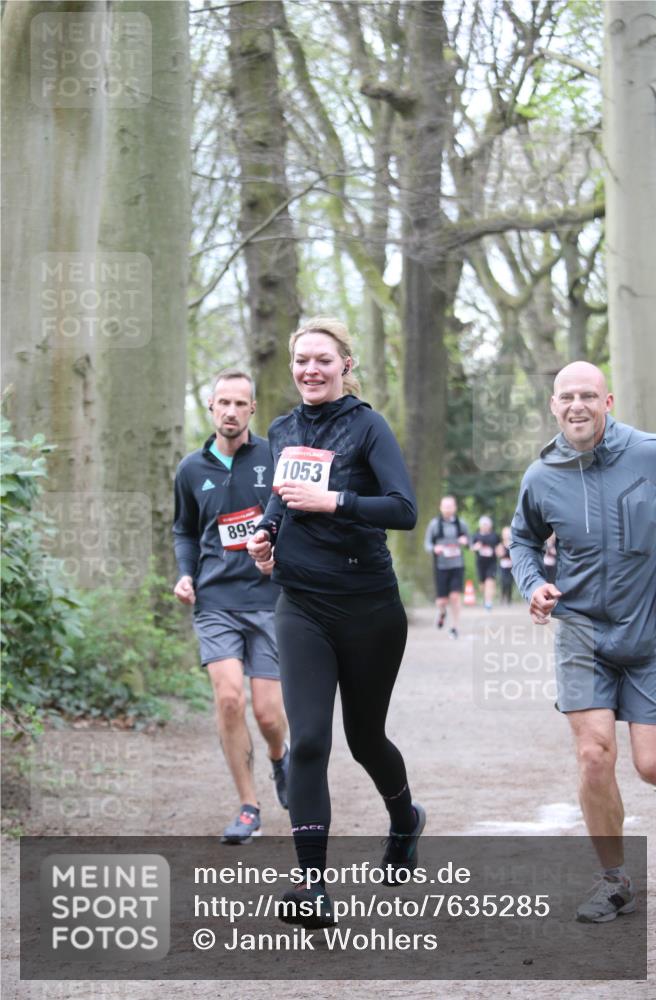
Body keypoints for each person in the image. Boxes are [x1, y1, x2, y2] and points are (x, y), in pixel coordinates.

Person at [246, 317, 424, 928]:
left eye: (322, 360)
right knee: (310, 740)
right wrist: (265, 537)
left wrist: (337, 502)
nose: (310, 370)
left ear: (346, 365)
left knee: (365, 737)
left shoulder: (369, 427)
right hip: (302, 605)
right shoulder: (282, 428)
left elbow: (404, 509)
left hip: (369, 608)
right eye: (301, 361)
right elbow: (278, 497)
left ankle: (405, 820)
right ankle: (311, 886)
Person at [510, 360, 656, 923]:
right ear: (553, 406)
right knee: (593, 755)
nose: (577, 405)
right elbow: (523, 541)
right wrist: (533, 585)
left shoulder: (655, 453)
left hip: (650, 629)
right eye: (566, 397)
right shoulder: (541, 475)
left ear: (609, 401)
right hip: (580, 630)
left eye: (588, 395)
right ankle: (615, 881)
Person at [173, 369, 290, 844]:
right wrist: (185, 573)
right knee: (227, 700)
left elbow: (292, 517)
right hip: (215, 598)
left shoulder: (272, 457)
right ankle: (249, 806)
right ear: (210, 407)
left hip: (269, 599)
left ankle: (280, 760)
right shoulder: (190, 469)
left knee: (266, 714)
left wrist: (281, 556)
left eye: (240, 404)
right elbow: (184, 530)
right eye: (223, 402)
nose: (231, 411)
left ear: (252, 410)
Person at [424, 496, 469, 637]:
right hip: (441, 566)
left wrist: (465, 541)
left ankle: (454, 627)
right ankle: (443, 613)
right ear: (440, 508)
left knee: (455, 597)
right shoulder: (434, 524)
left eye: (450, 506)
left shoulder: (461, 524)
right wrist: (434, 548)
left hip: (457, 565)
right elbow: (427, 544)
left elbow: (470, 542)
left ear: (455, 508)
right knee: (441, 601)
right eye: (445, 506)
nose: (448, 509)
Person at [471, 515, 500, 610]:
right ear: (480, 526)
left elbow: (499, 548)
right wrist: (476, 547)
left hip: (491, 563)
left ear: (490, 526)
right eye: (483, 524)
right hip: (480, 563)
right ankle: (486, 598)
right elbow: (471, 549)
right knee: (482, 585)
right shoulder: (476, 536)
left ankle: (488, 602)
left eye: (487, 524)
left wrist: (498, 551)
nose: (485, 526)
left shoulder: (494, 536)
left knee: (489, 581)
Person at [497, 526, 513, 604]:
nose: (506, 536)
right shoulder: (501, 545)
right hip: (503, 566)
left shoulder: (512, 544)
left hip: (511, 566)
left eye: (508, 534)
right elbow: (499, 554)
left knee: (509, 582)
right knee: (504, 582)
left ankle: (509, 598)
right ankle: (503, 597)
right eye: (505, 534)